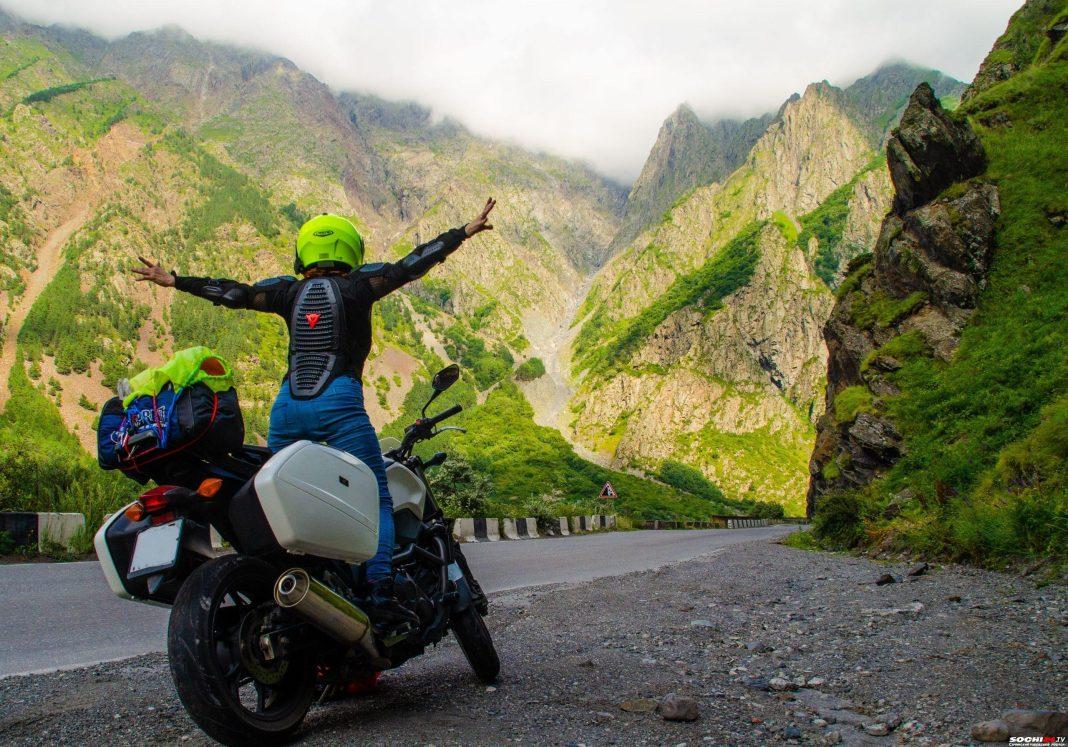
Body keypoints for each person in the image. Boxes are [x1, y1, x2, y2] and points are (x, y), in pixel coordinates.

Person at [133, 198, 496, 623]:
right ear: (350, 251)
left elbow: (233, 292)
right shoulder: (360, 286)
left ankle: (286, 584)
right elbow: (412, 264)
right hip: (338, 403)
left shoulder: (287, 291)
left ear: (305, 253)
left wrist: (175, 280)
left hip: (287, 409)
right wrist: (461, 233)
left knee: (277, 496)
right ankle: (378, 593)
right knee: (373, 495)